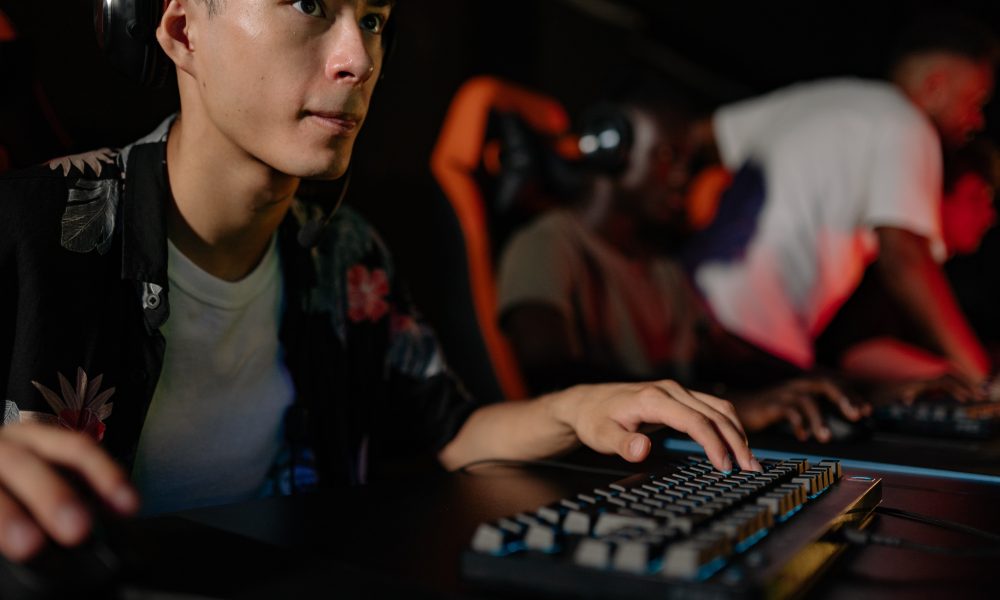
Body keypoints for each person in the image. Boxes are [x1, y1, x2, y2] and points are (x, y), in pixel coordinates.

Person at [0, 0, 759, 564]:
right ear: (180, 31)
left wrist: (585, 408)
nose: (357, 58)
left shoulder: (347, 253)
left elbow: (451, 434)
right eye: (308, 5)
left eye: (372, 18)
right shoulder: (33, 229)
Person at [497, 98, 865, 445]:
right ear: (611, 150)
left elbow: (728, 354)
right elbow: (548, 372)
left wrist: (841, 385)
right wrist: (716, 404)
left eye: (688, 163)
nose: (681, 177)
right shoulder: (546, 243)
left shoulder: (663, 269)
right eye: (666, 156)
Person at [683, 13, 997, 389]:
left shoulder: (828, 97)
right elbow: (905, 257)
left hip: (688, 306)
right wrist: (982, 378)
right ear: (935, 86)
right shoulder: (909, 126)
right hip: (749, 331)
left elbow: (694, 137)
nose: (976, 120)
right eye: (974, 102)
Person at [816, 139, 998, 384]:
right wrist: (964, 378)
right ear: (936, 194)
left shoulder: (942, 274)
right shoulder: (884, 264)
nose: (990, 215)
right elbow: (858, 354)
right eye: (976, 198)